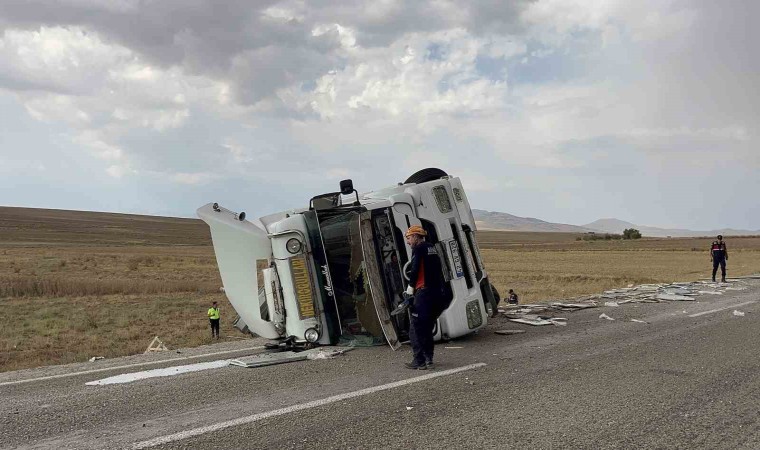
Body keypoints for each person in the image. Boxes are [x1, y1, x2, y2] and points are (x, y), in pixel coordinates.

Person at [403, 225, 448, 370]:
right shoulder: (432, 248)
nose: (408, 242)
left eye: (409, 238)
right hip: (437, 294)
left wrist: (410, 290)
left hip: (424, 294)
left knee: (416, 328)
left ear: (416, 236)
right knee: (427, 327)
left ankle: (419, 361)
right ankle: (429, 358)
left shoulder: (419, 249)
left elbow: (415, 269)